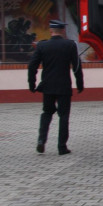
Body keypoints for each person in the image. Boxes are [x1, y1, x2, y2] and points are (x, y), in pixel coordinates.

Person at [28, 20, 84, 155]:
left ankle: (41, 140)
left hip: (47, 86)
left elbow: (32, 65)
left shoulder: (42, 46)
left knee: (46, 113)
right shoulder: (69, 45)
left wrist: (32, 83)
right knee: (63, 116)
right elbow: (76, 66)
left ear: (51, 31)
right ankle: (62, 147)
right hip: (64, 86)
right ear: (63, 31)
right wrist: (79, 83)